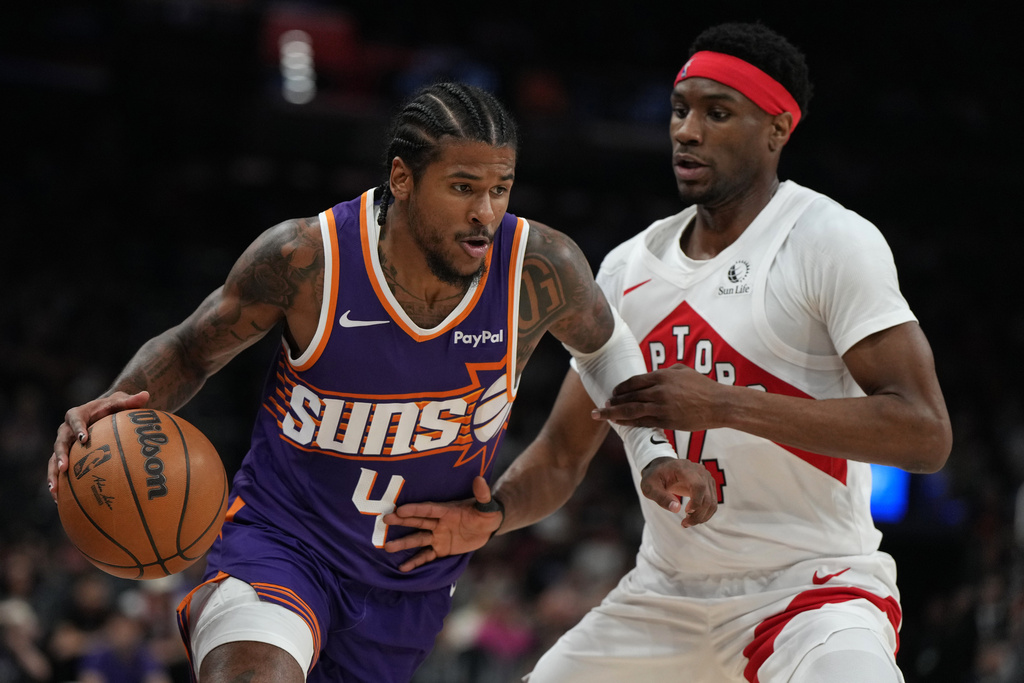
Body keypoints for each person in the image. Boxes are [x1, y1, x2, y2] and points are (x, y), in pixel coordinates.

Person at [48, 82, 718, 683]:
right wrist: (117, 404)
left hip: (409, 582)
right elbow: (192, 350)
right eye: (462, 187)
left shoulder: (538, 268)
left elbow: (606, 352)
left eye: (500, 188)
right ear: (402, 178)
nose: (486, 211)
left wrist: (653, 453)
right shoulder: (307, 259)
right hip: (283, 541)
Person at [382, 23, 953, 683]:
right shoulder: (627, 269)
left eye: (718, 113)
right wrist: (493, 515)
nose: (687, 130)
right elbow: (566, 452)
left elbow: (925, 433)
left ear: (778, 128)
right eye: (681, 109)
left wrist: (725, 404)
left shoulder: (830, 241)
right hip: (666, 595)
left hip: (812, 592)